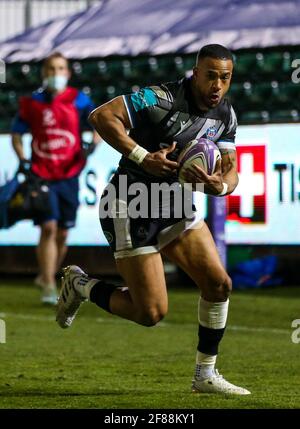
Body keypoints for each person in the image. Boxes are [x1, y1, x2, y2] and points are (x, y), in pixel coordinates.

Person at [56, 44, 251, 395]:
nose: (217, 86)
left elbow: (231, 170)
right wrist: (143, 157)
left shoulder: (226, 114)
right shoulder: (159, 98)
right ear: (195, 72)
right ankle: (80, 285)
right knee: (150, 313)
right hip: (130, 205)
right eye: (210, 76)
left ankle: (205, 375)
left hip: (175, 203)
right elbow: (101, 116)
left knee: (219, 284)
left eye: (225, 78)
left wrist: (220, 185)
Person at [11, 52, 101, 305]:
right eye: (50, 69)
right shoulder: (32, 103)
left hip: (70, 174)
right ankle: (49, 283)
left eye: (60, 68)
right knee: (48, 227)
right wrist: (22, 159)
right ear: (44, 73)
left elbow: (100, 124)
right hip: (41, 174)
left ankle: (45, 274)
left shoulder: (79, 100)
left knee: (62, 232)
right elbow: (17, 135)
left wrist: (91, 146)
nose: (55, 73)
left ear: (68, 73)